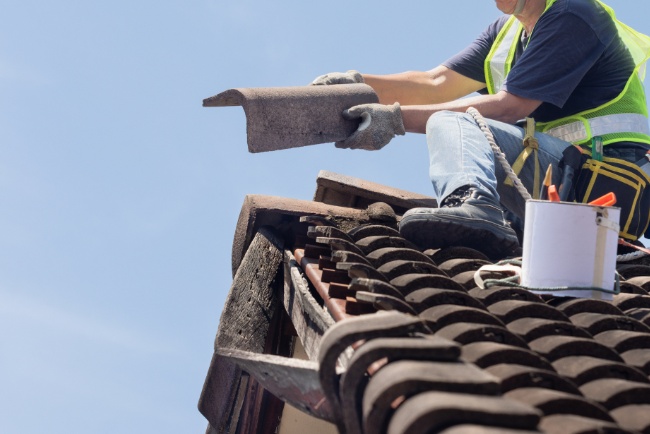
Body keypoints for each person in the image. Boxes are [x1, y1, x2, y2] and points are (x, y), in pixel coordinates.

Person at [312, 0, 650, 259]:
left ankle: (477, 205)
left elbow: (508, 108)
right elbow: (435, 83)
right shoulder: (505, 34)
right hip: (556, 182)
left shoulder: (573, 13)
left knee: (455, 121)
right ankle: (487, 221)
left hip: (599, 183)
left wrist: (393, 120)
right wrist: (359, 84)